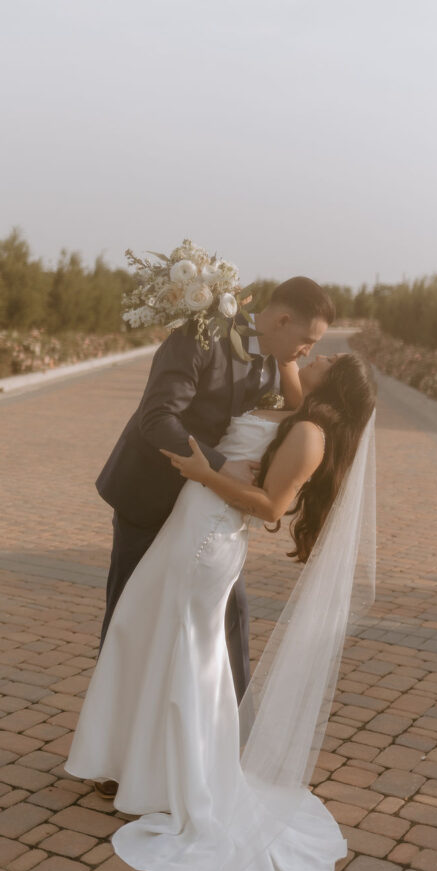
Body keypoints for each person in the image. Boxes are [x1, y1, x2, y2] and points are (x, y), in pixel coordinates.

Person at [65, 350, 377, 871]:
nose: (319, 352)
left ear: (334, 384)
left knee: (186, 658)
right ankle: (136, 764)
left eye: (327, 356)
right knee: (143, 632)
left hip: (207, 538)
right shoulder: (299, 407)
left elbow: (272, 507)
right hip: (191, 525)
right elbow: (285, 359)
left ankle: (172, 778)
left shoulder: (309, 433)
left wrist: (207, 474)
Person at [91, 276, 334, 797]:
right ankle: (117, 756)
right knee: (130, 618)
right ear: (282, 320)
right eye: (307, 341)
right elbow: (157, 419)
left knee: (231, 619)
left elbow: (298, 412)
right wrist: (221, 465)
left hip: (206, 515)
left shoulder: (275, 359)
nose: (307, 352)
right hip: (150, 498)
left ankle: (224, 749)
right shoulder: (198, 337)